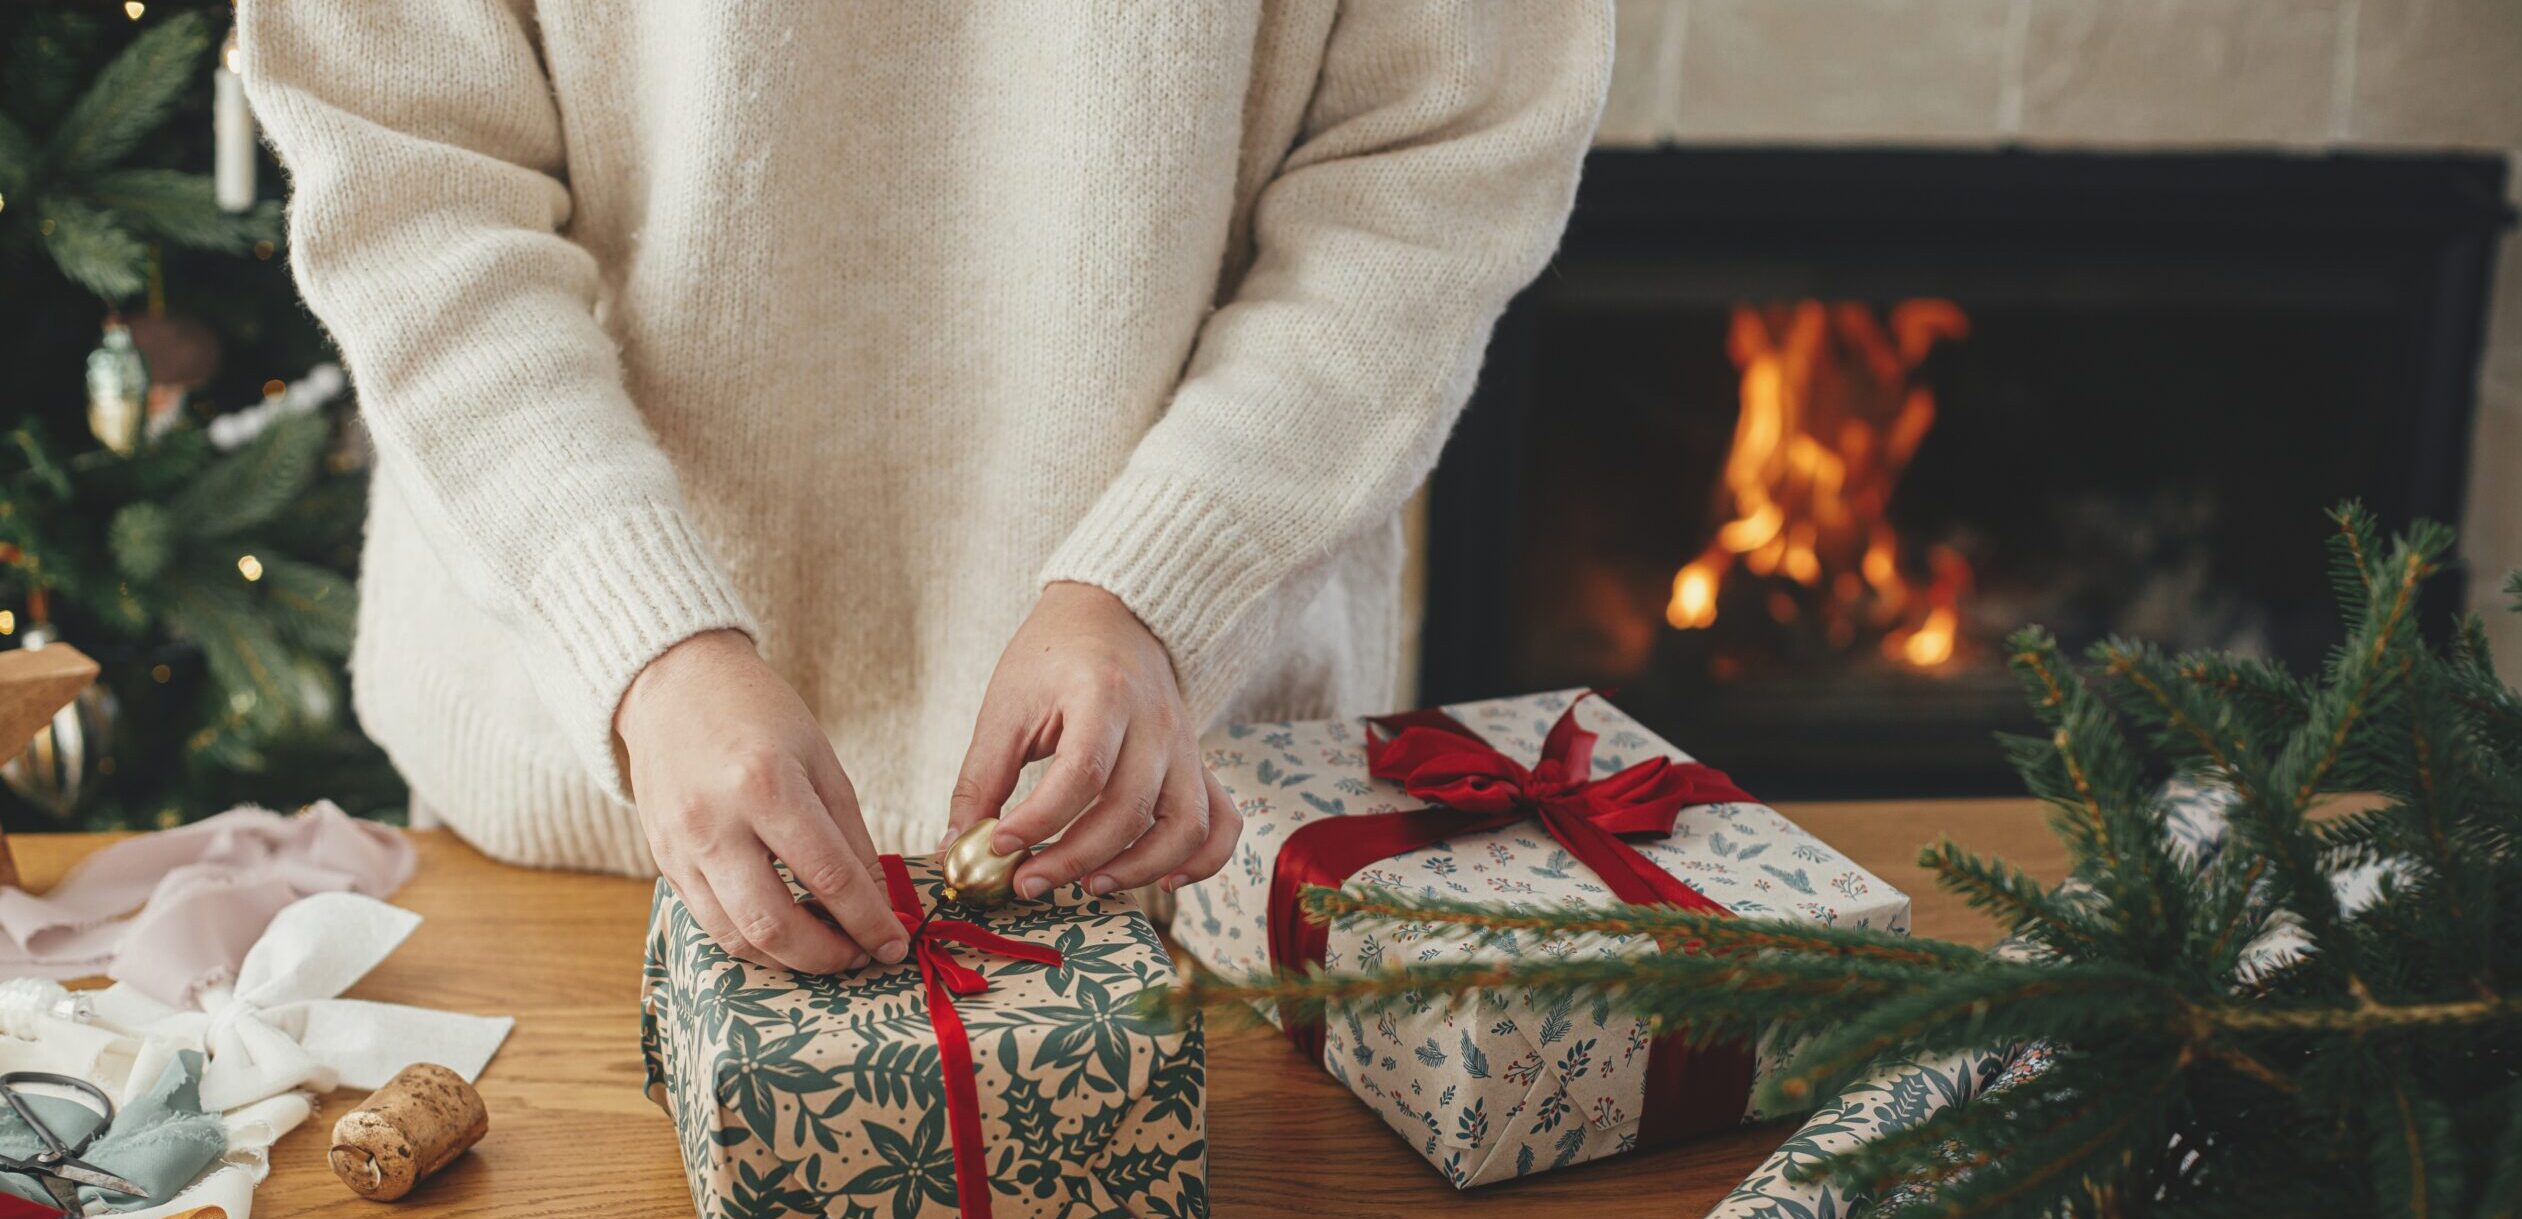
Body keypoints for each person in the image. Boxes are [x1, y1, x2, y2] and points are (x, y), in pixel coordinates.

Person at [240, 3, 1610, 974]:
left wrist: (1156, 583)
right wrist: (642, 640)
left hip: (1184, 847)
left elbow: (1436, 162)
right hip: (573, 832)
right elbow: (410, 176)